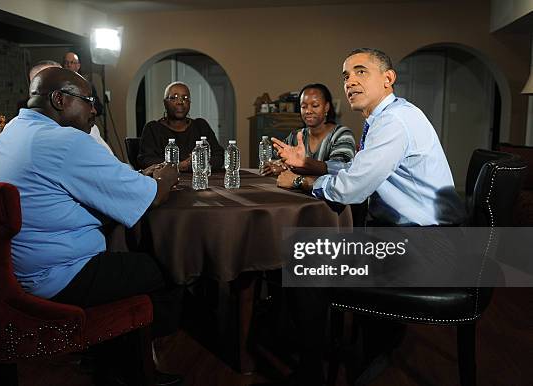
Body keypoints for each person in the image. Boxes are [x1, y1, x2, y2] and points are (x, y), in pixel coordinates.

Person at [269, 48, 465, 385]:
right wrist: (311, 164)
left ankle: (311, 372)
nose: (350, 81)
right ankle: (354, 343)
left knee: (303, 260)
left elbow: (351, 189)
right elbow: (360, 170)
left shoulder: (393, 122)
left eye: (361, 72)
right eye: (345, 75)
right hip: (426, 240)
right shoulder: (390, 117)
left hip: (428, 249)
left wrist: (299, 180)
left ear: (388, 79)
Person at [0, 67, 182, 385]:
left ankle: (111, 358)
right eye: (89, 101)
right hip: (56, 275)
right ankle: (125, 368)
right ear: (60, 99)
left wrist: (137, 181)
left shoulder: (15, 129)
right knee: (166, 269)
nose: (94, 110)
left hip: (14, 267)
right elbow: (153, 197)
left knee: (126, 257)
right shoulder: (65, 141)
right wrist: (167, 175)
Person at [261, 83, 355, 177]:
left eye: (315, 105)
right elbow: (278, 160)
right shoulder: (296, 136)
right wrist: (273, 165)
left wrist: (290, 167)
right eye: (303, 106)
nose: (308, 111)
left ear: (326, 107)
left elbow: (338, 169)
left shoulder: (342, 135)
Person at [138, 81, 224, 172]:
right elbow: (145, 160)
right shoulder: (153, 128)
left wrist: (200, 162)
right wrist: (177, 166)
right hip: (167, 183)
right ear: (165, 103)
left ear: (190, 103)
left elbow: (219, 156)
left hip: (200, 181)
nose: (180, 102)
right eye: (174, 98)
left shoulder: (201, 126)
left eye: (185, 98)